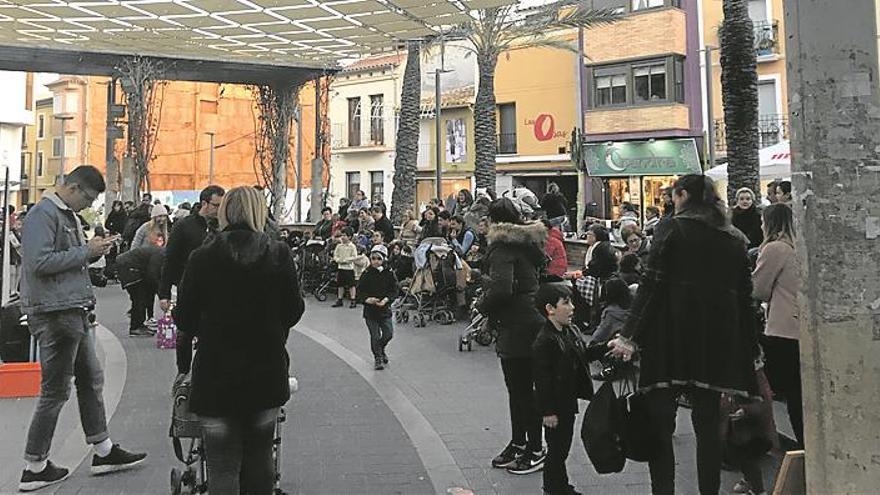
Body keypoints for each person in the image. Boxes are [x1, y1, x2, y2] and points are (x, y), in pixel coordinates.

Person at [608, 174, 759, 495]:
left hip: (669, 339)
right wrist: (751, 347)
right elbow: (746, 299)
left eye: (674, 197)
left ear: (684, 195)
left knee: (660, 425)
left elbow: (651, 284)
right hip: (714, 342)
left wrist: (629, 336)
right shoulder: (733, 237)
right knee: (707, 427)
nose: (671, 203)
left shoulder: (672, 228)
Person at [18, 165, 146, 492]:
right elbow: (39, 263)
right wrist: (86, 251)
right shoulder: (42, 215)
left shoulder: (65, 215)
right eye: (86, 198)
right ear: (73, 187)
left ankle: (103, 450)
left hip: (71, 310)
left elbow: (63, 259)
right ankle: (34, 464)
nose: (86, 206)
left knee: (91, 379)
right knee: (56, 390)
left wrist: (92, 253)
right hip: (54, 313)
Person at [174, 186, 304, 494]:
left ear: (224, 212)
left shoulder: (202, 257)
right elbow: (294, 310)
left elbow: (185, 319)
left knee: (220, 463)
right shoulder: (278, 253)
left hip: (216, 374)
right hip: (265, 371)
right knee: (260, 457)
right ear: (259, 212)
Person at [481, 198, 548, 475]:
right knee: (522, 389)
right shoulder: (527, 243)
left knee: (520, 390)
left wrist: (481, 305)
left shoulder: (502, 247)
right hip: (530, 319)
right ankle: (521, 443)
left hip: (516, 325)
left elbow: (501, 289)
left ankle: (533, 448)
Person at [532, 283, 593, 495]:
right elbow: (542, 380)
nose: (572, 307)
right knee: (557, 449)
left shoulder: (569, 331)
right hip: (555, 406)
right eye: (566, 303)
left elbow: (583, 354)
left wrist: (607, 347)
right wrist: (547, 411)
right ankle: (554, 488)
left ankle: (559, 485)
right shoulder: (545, 341)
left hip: (567, 401)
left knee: (561, 448)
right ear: (550, 309)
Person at [752, 203, 803, 448]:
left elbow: (758, 289)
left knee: (783, 391)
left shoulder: (774, 249)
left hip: (782, 329)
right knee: (798, 393)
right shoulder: (797, 248)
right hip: (799, 327)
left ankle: (791, 445)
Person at [158, 185, 225, 314]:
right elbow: (170, 259)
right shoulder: (183, 226)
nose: (219, 210)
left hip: (216, 288)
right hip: (188, 286)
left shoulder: (223, 226)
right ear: (204, 203)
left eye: (222, 205)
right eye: (216, 205)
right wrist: (164, 293)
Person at [356, 244, 398, 370]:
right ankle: (378, 357)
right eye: (373, 258)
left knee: (388, 333)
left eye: (379, 259)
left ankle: (380, 348)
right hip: (371, 312)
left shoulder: (389, 273)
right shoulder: (367, 273)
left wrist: (386, 300)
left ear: (384, 259)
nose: (376, 261)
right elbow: (360, 291)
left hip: (384, 310)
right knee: (375, 335)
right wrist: (368, 299)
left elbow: (394, 290)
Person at [115, 245, 164, 337]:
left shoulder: (161, 253)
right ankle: (136, 327)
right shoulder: (160, 255)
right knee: (139, 297)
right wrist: (162, 296)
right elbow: (152, 275)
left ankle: (139, 324)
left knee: (141, 297)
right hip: (129, 267)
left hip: (131, 266)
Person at [591, 278, 632, 343]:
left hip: (612, 343)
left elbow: (601, 332)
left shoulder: (610, 312)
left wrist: (591, 343)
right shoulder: (633, 309)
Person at [332, 228, 359, 309]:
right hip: (341, 267)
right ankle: (340, 299)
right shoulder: (339, 246)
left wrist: (346, 260)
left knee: (351, 285)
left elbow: (354, 257)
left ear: (349, 237)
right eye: (342, 235)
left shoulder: (352, 246)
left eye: (345, 235)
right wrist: (338, 260)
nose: (343, 237)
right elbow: (335, 255)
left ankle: (353, 299)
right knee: (340, 284)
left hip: (349, 268)